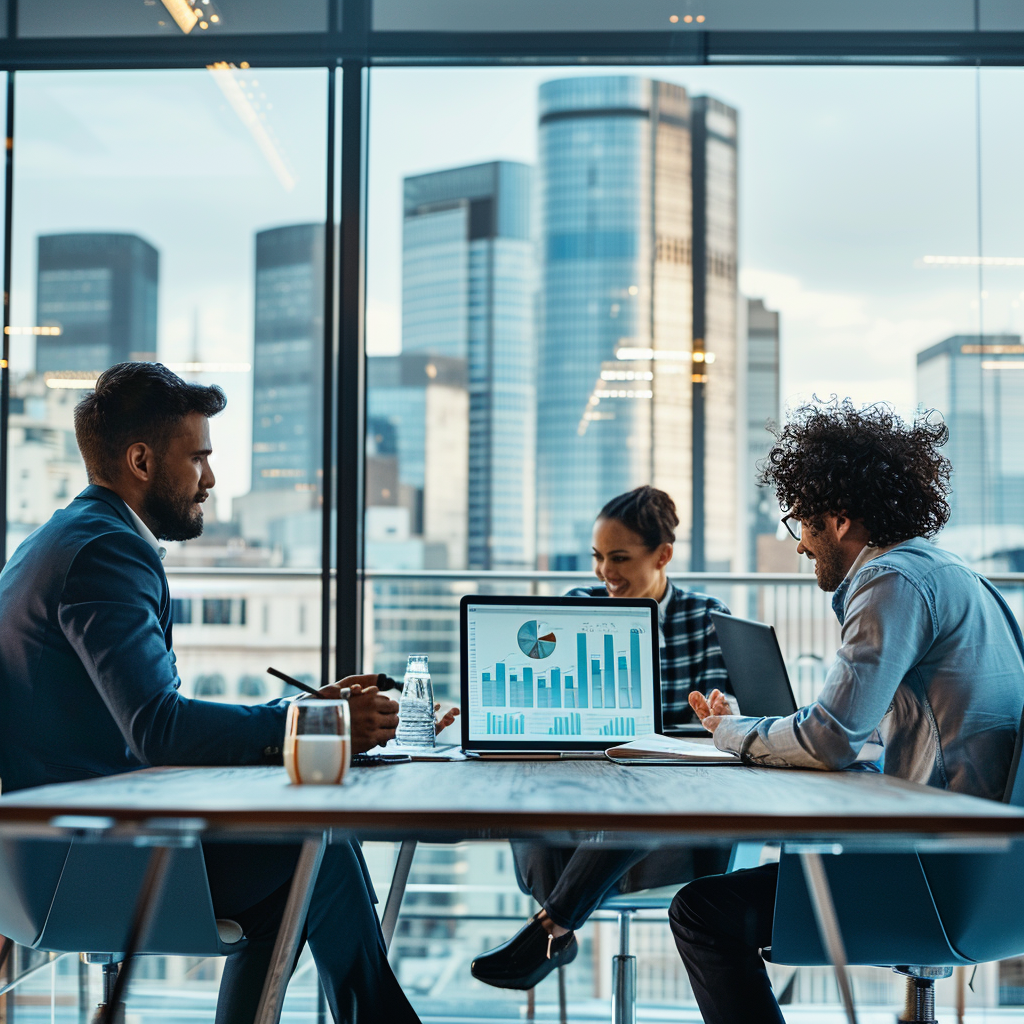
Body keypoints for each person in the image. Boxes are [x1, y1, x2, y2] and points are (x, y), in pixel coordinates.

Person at [0, 362, 456, 1024]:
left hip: (49, 856)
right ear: (140, 461)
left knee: (300, 863)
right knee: (318, 845)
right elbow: (159, 730)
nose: (210, 479)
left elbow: (141, 728)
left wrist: (308, 716)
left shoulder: (62, 538)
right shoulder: (106, 553)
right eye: (199, 458)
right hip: (81, 865)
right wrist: (310, 723)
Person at [669, 398, 1024, 1024]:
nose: (799, 545)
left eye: (800, 523)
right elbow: (871, 734)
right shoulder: (955, 575)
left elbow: (830, 740)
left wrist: (732, 733)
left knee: (702, 912)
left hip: (937, 880)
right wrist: (766, 729)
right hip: (998, 883)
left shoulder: (891, 582)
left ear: (837, 520)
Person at [471, 486, 731, 991]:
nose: (604, 572)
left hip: (664, 824)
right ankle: (556, 924)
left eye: (619, 558)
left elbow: (722, 727)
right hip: (584, 796)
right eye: (598, 557)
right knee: (531, 808)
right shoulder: (578, 607)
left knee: (645, 802)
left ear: (663, 555)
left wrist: (720, 717)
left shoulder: (704, 617)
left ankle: (551, 930)